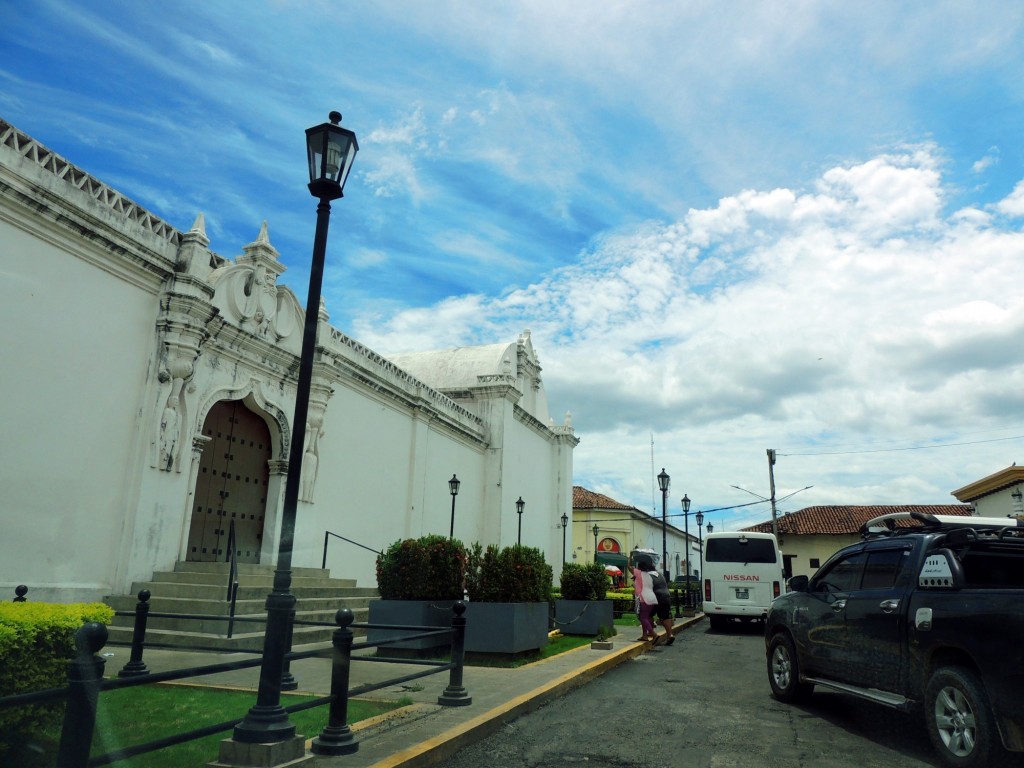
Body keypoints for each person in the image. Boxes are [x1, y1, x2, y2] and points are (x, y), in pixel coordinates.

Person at [633, 555, 675, 645]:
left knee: (647, 616)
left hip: (655, 597)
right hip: (666, 597)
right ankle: (670, 635)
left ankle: (648, 634)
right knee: (665, 616)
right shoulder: (659, 574)